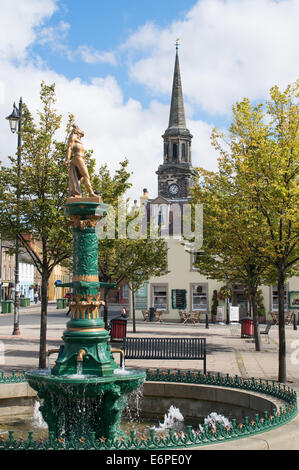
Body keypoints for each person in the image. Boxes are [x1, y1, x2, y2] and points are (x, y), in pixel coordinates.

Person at [64, 124, 98, 199]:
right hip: (77, 158)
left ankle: (75, 193)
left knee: (79, 178)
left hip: (80, 158)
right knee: (86, 176)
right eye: (81, 133)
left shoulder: (77, 138)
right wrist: (67, 159)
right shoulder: (73, 136)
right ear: (78, 132)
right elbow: (69, 148)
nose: (82, 135)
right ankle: (91, 193)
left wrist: (84, 159)